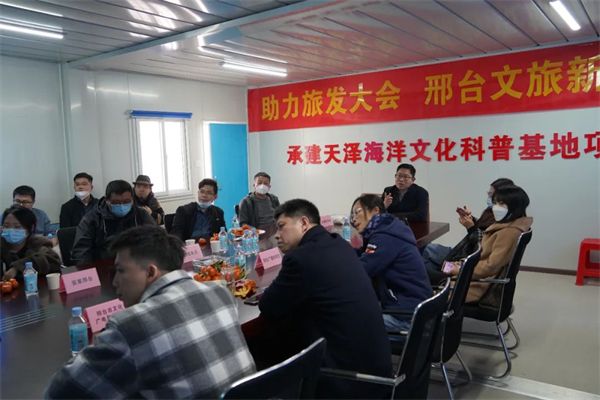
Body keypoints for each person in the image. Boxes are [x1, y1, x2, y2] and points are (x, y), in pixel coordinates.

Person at [45, 225, 255, 399]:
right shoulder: (219, 292)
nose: (115, 282)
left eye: (120, 271)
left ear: (151, 272)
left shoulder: (130, 325)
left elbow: (62, 392)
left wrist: (107, 342)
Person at [258, 199, 392, 399]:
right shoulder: (339, 244)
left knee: (265, 342)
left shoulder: (300, 258)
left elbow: (268, 306)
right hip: (377, 367)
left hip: (346, 377)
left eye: (281, 227)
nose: (276, 235)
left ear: (304, 223)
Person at [351, 194, 432, 338]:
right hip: (417, 308)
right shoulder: (390, 227)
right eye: (352, 215)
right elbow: (365, 255)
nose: (353, 219)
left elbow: (360, 271)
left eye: (357, 212)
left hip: (408, 317)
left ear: (376, 211)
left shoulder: (384, 237)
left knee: (346, 322)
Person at [445, 185, 533, 305]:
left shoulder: (508, 232)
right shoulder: (507, 225)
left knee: (425, 272)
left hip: (476, 285)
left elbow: (490, 267)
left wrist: (459, 269)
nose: (496, 207)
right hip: (472, 272)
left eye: (501, 204)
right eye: (495, 202)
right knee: (433, 266)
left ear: (514, 207)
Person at [422, 178, 514, 285]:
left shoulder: (505, 224)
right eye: (488, 194)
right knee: (424, 249)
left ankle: (441, 280)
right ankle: (438, 275)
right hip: (463, 250)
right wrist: (472, 220)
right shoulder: (491, 212)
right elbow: (482, 229)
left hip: (466, 257)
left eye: (491, 195)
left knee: (419, 259)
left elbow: (483, 245)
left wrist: (471, 227)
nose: (489, 197)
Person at [71, 180, 155, 266]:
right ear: (107, 200)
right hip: (104, 266)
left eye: (126, 201)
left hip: (137, 264)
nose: (122, 205)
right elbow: (81, 252)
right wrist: (89, 274)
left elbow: (156, 240)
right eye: (116, 202)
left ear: (132, 200)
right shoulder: (92, 219)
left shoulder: (141, 215)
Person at [1, 206, 61, 280]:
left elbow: (53, 262)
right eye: (6, 226)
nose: (10, 230)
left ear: (30, 229)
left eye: (17, 227)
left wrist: (17, 267)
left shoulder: (37, 244)